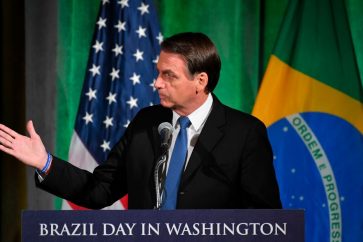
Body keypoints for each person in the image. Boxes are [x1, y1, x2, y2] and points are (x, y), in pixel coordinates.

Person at [0, 32, 281, 209]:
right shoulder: (146, 123)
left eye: (168, 75)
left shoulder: (244, 133)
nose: (156, 83)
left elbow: (265, 220)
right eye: (158, 73)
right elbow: (99, 191)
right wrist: (45, 163)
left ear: (200, 81)